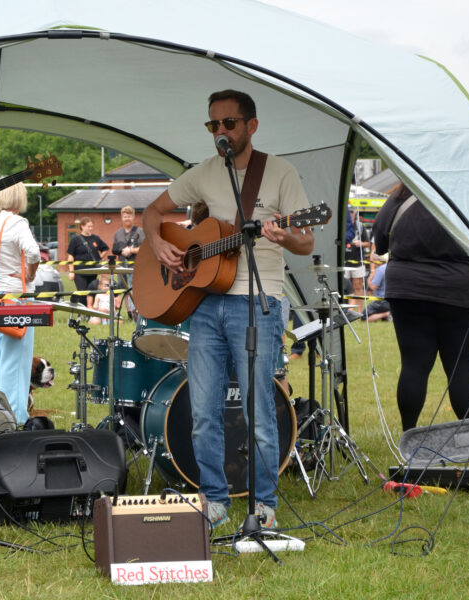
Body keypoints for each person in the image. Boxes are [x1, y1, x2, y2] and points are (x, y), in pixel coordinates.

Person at [142, 89, 314, 530]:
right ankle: (213, 501)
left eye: (229, 124)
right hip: (204, 304)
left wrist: (285, 236)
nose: (220, 132)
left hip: (257, 302)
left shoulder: (279, 173)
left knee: (258, 412)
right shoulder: (202, 174)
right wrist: (160, 242)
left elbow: (306, 239)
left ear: (251, 126)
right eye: (213, 125)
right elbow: (154, 211)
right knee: (203, 412)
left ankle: (264, 508)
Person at [374, 183, 469, 431]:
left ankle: (409, 438)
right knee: (461, 368)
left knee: (413, 366)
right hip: (461, 287)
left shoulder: (403, 192)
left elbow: (380, 241)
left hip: (409, 288)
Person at [0, 183, 40, 424]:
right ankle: (14, 417)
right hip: (16, 299)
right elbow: (34, 252)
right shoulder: (17, 223)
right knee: (15, 361)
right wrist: (30, 274)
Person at [66, 217, 108, 305]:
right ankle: (82, 311)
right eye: (89, 226)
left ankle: (90, 312)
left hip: (93, 271)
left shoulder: (95, 238)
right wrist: (71, 271)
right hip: (79, 271)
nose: (91, 228)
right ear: (82, 226)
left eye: (92, 226)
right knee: (82, 292)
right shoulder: (75, 240)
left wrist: (99, 257)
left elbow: (105, 249)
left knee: (91, 291)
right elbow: (70, 256)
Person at [343, 208, 369, 311]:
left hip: (357, 261)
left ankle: (359, 312)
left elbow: (368, 243)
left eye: (352, 212)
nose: (350, 214)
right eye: (348, 212)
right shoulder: (341, 224)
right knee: (344, 287)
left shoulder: (360, 227)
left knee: (357, 287)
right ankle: (346, 311)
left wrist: (361, 244)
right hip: (344, 263)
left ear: (355, 214)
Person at [363, 257, 391, 322]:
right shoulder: (395, 268)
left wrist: (369, 279)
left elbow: (373, 287)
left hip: (382, 301)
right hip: (393, 301)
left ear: (379, 260)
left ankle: (388, 313)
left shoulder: (381, 269)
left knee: (364, 317)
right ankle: (387, 315)